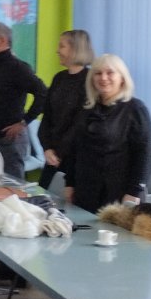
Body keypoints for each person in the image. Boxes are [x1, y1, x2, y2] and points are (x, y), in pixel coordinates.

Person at [64, 53, 151, 212]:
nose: (103, 78)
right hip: (85, 190)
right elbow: (74, 149)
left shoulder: (135, 109)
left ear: (122, 78)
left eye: (110, 72)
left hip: (119, 194)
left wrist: (134, 191)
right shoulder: (86, 108)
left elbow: (145, 154)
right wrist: (69, 182)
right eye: (98, 73)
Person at [0, 22, 47, 181]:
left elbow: (43, 93)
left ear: (1, 41)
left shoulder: (17, 67)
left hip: (9, 143)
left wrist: (24, 122)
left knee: (12, 189)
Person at [38, 29, 94, 190]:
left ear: (75, 49)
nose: (57, 51)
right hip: (52, 156)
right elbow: (47, 117)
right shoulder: (59, 78)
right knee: (42, 196)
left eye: (62, 46)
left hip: (75, 158)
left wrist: (59, 152)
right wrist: (47, 148)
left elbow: (80, 123)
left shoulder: (90, 80)